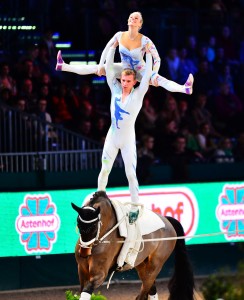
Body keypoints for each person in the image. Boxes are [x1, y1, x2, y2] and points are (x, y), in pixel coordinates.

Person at [56, 11, 194, 95]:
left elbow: (157, 58)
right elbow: (106, 48)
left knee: (160, 81)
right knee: (96, 68)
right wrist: (100, 65)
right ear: (128, 20)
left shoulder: (145, 40)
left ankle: (184, 88)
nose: (132, 19)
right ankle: (63, 66)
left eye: (136, 18)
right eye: (131, 17)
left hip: (141, 70)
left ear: (140, 24)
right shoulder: (119, 35)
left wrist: (154, 72)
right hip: (124, 68)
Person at [97, 40, 152, 224]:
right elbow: (110, 69)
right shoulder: (115, 90)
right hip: (112, 137)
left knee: (130, 173)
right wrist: (112, 48)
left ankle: (135, 206)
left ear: (134, 82)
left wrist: (149, 54)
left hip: (128, 140)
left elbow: (147, 77)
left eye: (128, 81)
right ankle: (99, 196)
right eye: (123, 80)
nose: (125, 83)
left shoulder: (138, 94)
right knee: (105, 169)